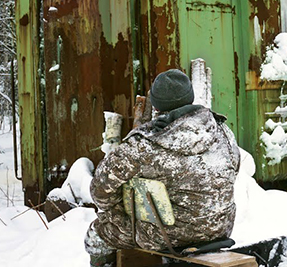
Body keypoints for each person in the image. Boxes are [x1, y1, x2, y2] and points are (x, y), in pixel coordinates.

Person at [84, 69, 240, 267]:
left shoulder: (143, 145)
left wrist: (123, 205)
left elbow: (99, 192)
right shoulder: (222, 130)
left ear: (156, 105)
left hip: (166, 237)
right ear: (190, 97)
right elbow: (234, 169)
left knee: (97, 236)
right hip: (219, 229)